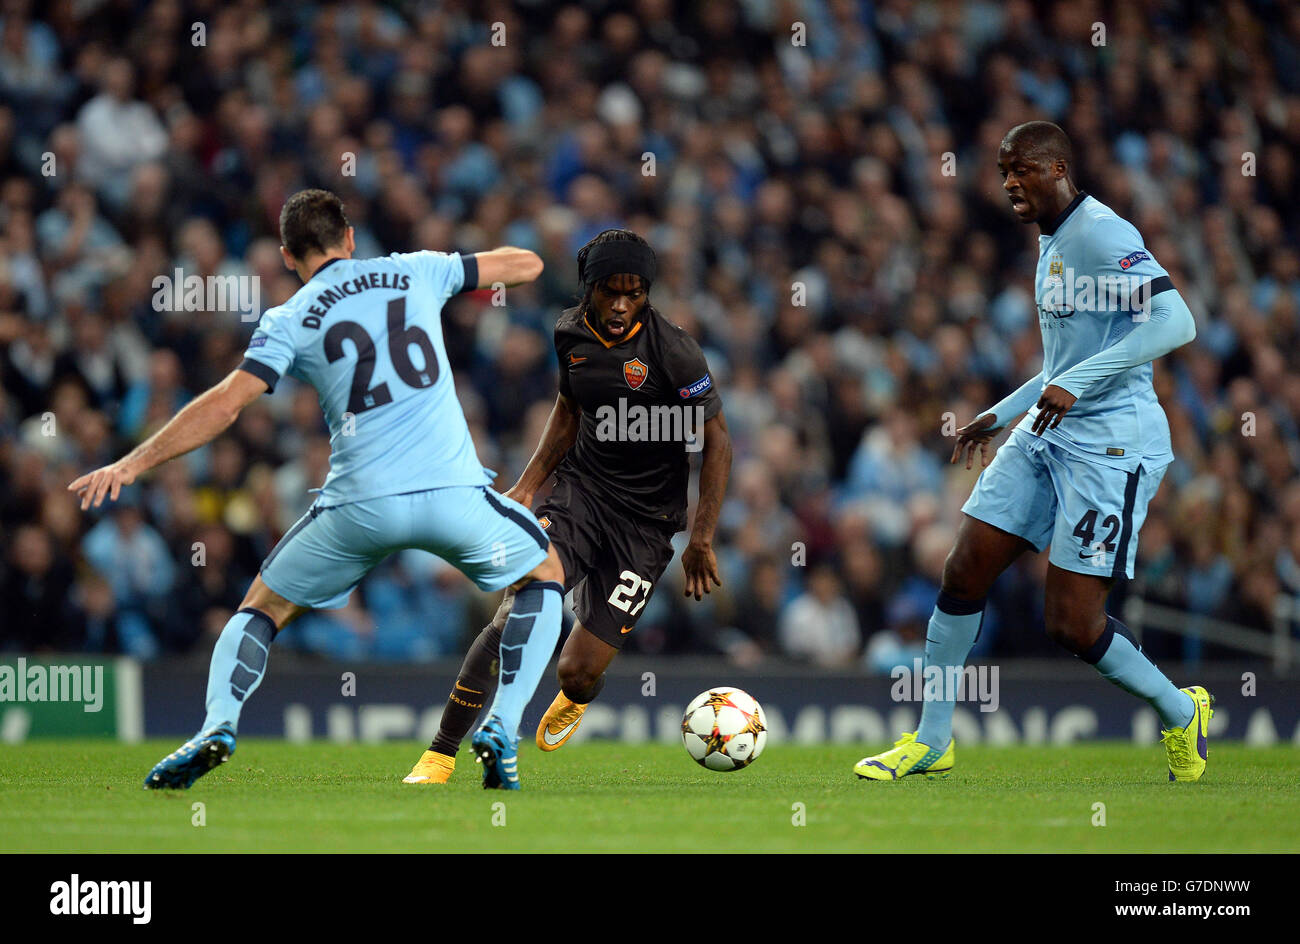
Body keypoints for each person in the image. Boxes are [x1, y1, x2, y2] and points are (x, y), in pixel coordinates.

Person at [69, 189, 566, 791]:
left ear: (287, 255)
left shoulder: (289, 318)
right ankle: (502, 726)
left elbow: (226, 406)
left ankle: (217, 726)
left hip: (359, 506)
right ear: (350, 238)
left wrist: (132, 463)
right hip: (451, 494)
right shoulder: (415, 269)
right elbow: (527, 264)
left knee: (262, 607)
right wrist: (468, 268)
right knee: (543, 576)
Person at [853, 122, 1211, 783]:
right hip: (1048, 432)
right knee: (963, 571)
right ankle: (933, 740)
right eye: (1001, 171)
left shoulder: (1104, 233)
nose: (1009, 182)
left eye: (1020, 169)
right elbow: (1062, 365)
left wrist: (1072, 384)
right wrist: (1002, 411)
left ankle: (1178, 709)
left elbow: (1176, 322)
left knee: (1072, 624)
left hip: (1112, 443)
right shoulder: (1047, 244)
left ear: (1057, 169)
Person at [404, 229, 731, 785]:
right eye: (610, 292)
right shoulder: (568, 332)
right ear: (590, 289)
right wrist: (530, 485)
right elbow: (569, 409)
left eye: (635, 293)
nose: (622, 304)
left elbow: (718, 439)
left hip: (648, 527)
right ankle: (440, 752)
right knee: (518, 612)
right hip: (581, 494)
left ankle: (577, 695)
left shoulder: (674, 352)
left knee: (576, 672)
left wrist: (701, 537)